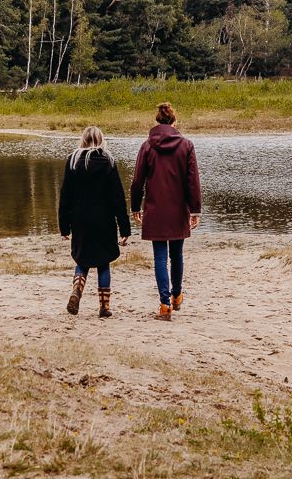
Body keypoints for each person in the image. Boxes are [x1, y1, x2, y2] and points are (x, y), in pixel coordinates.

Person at [130, 102, 202, 320]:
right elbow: (193, 181)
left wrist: (135, 206)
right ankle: (177, 295)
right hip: (179, 208)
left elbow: (137, 181)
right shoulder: (186, 145)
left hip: (155, 208)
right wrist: (195, 209)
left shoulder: (147, 146)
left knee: (160, 258)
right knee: (177, 254)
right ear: (174, 122)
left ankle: (164, 304)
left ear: (157, 122)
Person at [58, 126, 131, 318]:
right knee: (103, 262)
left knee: (82, 258)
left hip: (80, 219)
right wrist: (125, 228)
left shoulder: (73, 161)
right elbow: (117, 197)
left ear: (83, 140)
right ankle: (104, 307)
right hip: (104, 219)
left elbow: (65, 196)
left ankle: (77, 290)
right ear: (101, 140)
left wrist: (63, 226)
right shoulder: (108, 161)